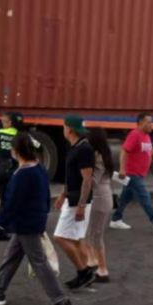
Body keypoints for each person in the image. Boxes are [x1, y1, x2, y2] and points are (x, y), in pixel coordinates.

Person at [0, 133, 76, 305]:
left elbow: (12, 204)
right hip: (33, 219)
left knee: (39, 262)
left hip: (26, 223)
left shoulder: (23, 174)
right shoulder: (38, 168)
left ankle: (60, 300)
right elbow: (45, 197)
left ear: (15, 151)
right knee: (11, 256)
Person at [109, 113, 153, 234]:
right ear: (140, 123)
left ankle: (116, 219)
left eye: (151, 122)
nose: (151, 125)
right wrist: (122, 169)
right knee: (145, 197)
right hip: (132, 173)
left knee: (126, 196)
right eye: (148, 122)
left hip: (139, 173)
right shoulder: (134, 135)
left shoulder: (146, 136)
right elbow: (124, 151)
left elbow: (151, 152)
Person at [53, 115, 96, 291]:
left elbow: (87, 180)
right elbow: (71, 176)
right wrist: (63, 194)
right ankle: (84, 276)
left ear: (69, 128)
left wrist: (81, 205)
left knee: (60, 237)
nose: (63, 129)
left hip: (77, 201)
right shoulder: (74, 147)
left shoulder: (84, 149)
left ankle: (83, 271)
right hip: (72, 197)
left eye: (64, 126)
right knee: (77, 239)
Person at [0, 112, 24, 241]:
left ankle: (2, 228)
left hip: (0, 171)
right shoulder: (20, 136)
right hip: (14, 172)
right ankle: (3, 229)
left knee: (4, 200)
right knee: (11, 200)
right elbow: (37, 147)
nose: (2, 123)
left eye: (4, 121)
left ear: (9, 122)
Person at [84, 128, 115, 283]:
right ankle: (94, 263)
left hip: (98, 198)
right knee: (93, 234)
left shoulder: (97, 158)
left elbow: (93, 181)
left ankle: (102, 269)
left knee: (94, 235)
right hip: (105, 196)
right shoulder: (106, 155)